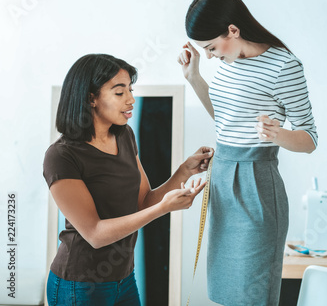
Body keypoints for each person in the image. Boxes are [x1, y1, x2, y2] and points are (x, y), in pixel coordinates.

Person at [177, 0, 318, 306]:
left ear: (233, 30)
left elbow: (309, 139)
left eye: (211, 47)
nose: (210, 55)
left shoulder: (284, 67)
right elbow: (225, 119)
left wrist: (278, 135)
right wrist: (194, 77)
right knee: (226, 294)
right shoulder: (229, 61)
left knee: (251, 294)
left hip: (256, 185)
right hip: (223, 182)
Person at [43, 54, 213, 305]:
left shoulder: (124, 136)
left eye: (130, 90)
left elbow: (144, 201)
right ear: (91, 98)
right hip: (80, 285)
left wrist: (184, 172)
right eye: (119, 92)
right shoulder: (61, 156)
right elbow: (95, 234)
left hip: (124, 278)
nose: (131, 99)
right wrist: (164, 208)